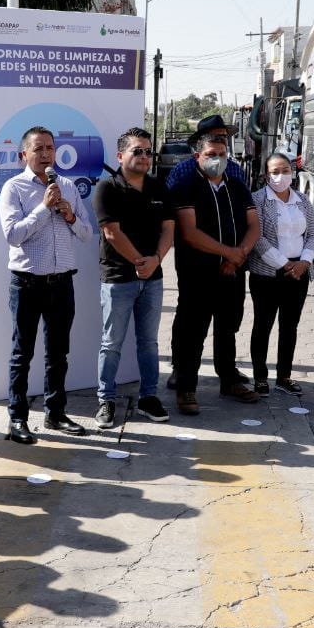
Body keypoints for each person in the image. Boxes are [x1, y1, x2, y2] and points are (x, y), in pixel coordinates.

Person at [0, 126, 94, 443]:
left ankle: (55, 413)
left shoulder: (66, 186)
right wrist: (43, 207)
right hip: (27, 283)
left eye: (50, 148)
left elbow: (85, 234)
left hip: (62, 282)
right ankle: (17, 418)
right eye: (38, 149)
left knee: (58, 353)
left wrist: (69, 215)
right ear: (24, 154)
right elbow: (13, 234)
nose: (46, 154)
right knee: (21, 353)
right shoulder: (14, 188)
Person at [168, 130, 260, 415]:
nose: (216, 160)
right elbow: (190, 233)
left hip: (232, 272)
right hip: (198, 273)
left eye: (221, 155)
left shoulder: (237, 186)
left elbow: (254, 226)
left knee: (228, 327)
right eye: (210, 155)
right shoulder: (186, 185)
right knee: (192, 330)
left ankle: (229, 379)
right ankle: (186, 387)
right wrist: (228, 252)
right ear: (198, 156)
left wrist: (237, 255)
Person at [92, 127, 174, 429]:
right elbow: (111, 232)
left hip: (152, 278)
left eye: (147, 151)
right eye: (137, 150)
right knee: (111, 343)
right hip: (118, 279)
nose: (144, 156)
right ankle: (106, 400)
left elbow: (169, 229)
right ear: (121, 155)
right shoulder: (107, 188)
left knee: (149, 343)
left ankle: (148, 397)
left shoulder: (159, 187)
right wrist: (140, 261)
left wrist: (155, 261)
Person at [248, 153, 314, 396]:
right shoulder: (257, 200)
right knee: (263, 326)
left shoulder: (302, 200)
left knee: (290, 326)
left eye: (285, 170)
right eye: (275, 172)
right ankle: (259, 377)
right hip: (267, 274)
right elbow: (257, 237)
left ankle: (284, 376)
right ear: (266, 175)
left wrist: (304, 262)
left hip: (298, 275)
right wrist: (284, 263)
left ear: (292, 171)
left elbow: (312, 235)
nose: (280, 176)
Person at [164, 113, 248, 190]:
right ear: (202, 141)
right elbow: (170, 202)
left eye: (224, 136)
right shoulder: (181, 171)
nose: (221, 140)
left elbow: (244, 201)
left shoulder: (235, 169)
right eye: (215, 136)